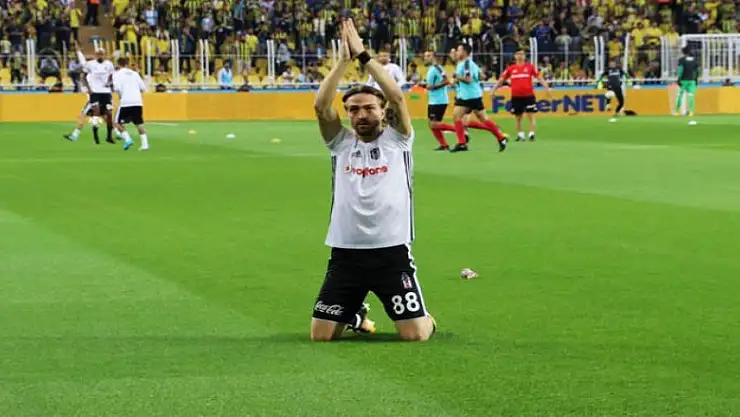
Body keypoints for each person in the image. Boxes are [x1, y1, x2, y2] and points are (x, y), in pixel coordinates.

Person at [311, 19, 436, 342]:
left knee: (415, 335)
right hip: (346, 252)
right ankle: (356, 314)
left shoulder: (397, 140)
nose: (361, 115)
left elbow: (397, 97)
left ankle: (425, 318)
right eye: (353, 110)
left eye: (368, 108)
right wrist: (342, 62)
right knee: (321, 336)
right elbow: (321, 107)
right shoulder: (341, 143)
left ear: (382, 111)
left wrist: (364, 56)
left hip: (390, 252)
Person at [450, 43, 508, 153]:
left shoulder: (466, 64)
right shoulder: (469, 64)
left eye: (459, 50)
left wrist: (457, 76)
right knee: (482, 119)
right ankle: (501, 138)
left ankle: (462, 143)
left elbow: (468, 79)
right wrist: (458, 80)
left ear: (464, 52)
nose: (457, 52)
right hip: (472, 95)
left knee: (457, 117)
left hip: (469, 97)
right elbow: (482, 76)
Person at [494, 48, 552, 141]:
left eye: (522, 54)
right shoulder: (510, 69)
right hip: (516, 96)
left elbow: (539, 78)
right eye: (518, 54)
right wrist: (493, 90)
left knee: (531, 115)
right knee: (518, 117)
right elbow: (501, 80)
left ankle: (532, 134)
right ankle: (520, 135)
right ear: (515, 56)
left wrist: (547, 88)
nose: (520, 56)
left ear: (525, 56)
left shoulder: (530, 67)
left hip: (528, 95)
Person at [112, 57, 149, 151]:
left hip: (126, 102)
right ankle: (145, 145)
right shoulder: (135, 73)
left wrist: (121, 96)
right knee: (139, 123)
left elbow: (117, 88)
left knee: (117, 123)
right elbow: (143, 88)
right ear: (127, 64)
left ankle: (128, 139)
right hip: (137, 102)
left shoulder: (117, 74)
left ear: (118, 64)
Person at [421, 49, 455, 151]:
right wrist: (425, 85)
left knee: (434, 124)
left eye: (428, 56)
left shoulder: (437, 68)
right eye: (425, 56)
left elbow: (446, 81)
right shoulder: (431, 69)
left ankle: (459, 130)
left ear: (434, 57)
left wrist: (433, 87)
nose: (425, 58)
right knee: (432, 124)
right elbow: (431, 84)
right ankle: (444, 145)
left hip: (439, 100)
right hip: (433, 100)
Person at [83, 48, 116, 143]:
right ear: (95, 55)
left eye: (101, 54)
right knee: (96, 113)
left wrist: (109, 83)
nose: (100, 56)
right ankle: (95, 136)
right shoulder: (90, 64)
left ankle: (109, 136)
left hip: (106, 93)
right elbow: (83, 76)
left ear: (104, 54)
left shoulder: (109, 64)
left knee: (109, 114)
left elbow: (111, 76)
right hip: (95, 92)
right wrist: (88, 88)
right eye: (98, 54)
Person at [596, 59, 629, 123]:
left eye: (613, 63)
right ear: (609, 64)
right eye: (611, 63)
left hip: (618, 87)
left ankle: (616, 113)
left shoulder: (619, 69)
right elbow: (602, 75)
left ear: (615, 64)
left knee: (621, 103)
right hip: (611, 86)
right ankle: (607, 104)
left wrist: (628, 79)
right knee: (610, 94)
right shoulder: (608, 70)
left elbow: (625, 74)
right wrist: (599, 80)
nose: (612, 64)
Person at [674, 46, 699, 118]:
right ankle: (691, 112)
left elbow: (680, 70)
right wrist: (696, 79)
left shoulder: (681, 60)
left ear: (683, 52)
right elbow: (698, 71)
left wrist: (679, 78)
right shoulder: (695, 60)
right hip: (692, 80)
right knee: (691, 96)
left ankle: (677, 111)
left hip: (683, 80)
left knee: (679, 95)